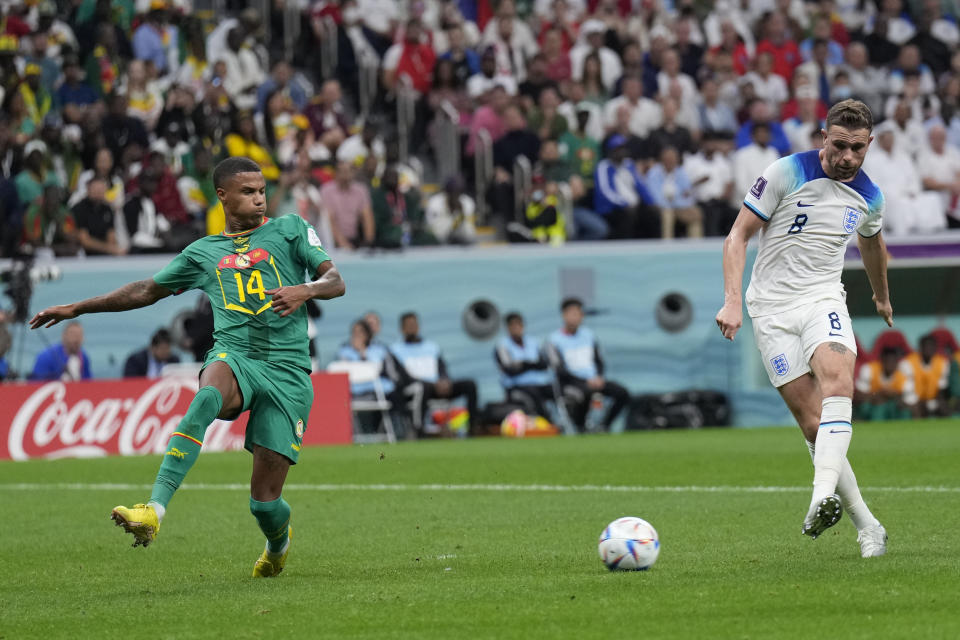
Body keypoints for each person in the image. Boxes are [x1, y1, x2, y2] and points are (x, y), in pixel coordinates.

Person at [30, 156, 345, 577]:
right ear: (222, 196)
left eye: (261, 191)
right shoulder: (203, 253)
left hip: (288, 371)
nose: (258, 199)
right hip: (236, 355)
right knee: (208, 394)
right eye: (248, 192)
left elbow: (335, 280)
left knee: (264, 503)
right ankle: (153, 509)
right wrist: (77, 307)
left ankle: (277, 544)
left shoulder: (289, 229)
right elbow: (146, 289)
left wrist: (304, 290)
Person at [715, 99, 890, 557]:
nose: (846, 156)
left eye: (856, 148)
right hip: (770, 309)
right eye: (838, 145)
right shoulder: (785, 172)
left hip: (822, 298)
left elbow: (872, 245)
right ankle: (869, 526)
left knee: (839, 383)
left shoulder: (870, 196)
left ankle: (819, 496)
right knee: (813, 424)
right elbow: (737, 236)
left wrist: (881, 294)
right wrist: (732, 301)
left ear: (868, 144)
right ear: (822, 137)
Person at [546, 298, 629, 432]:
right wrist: (586, 381)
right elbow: (559, 370)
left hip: (594, 380)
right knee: (584, 393)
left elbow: (599, 361)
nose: (576, 317)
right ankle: (580, 426)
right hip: (570, 383)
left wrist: (599, 377)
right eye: (572, 313)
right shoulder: (554, 340)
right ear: (564, 315)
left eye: (579, 313)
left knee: (622, 393)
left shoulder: (589, 335)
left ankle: (604, 425)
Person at [390, 311, 478, 436]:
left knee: (470, 384)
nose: (412, 328)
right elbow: (404, 377)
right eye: (408, 325)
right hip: (416, 388)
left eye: (414, 324)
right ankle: (419, 430)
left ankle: (473, 427)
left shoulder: (431, 347)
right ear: (402, 329)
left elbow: (442, 368)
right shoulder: (396, 350)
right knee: (422, 388)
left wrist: (444, 380)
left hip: (437, 387)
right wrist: (432, 384)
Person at [495, 312, 553, 419]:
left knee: (556, 390)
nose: (517, 328)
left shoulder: (533, 342)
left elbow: (544, 365)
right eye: (513, 325)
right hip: (516, 386)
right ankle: (547, 421)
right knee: (534, 393)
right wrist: (531, 364)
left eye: (519, 324)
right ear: (508, 328)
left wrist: (523, 364)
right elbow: (511, 370)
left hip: (539, 383)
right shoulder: (503, 346)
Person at [854, 346, 916, 421]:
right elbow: (858, 396)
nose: (890, 364)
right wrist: (878, 395)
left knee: (904, 411)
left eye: (893, 361)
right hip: (873, 405)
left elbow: (911, 403)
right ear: (881, 361)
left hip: (894, 407)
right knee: (872, 407)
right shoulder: (869, 370)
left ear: (897, 362)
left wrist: (895, 397)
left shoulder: (903, 376)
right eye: (887, 361)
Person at [904, 334, 950, 417]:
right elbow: (908, 389)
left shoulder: (942, 363)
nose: (929, 349)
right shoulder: (909, 362)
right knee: (916, 409)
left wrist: (937, 401)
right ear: (920, 348)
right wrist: (919, 401)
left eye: (932, 346)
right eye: (926, 346)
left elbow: (942, 388)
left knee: (944, 407)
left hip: (933, 399)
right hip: (914, 400)